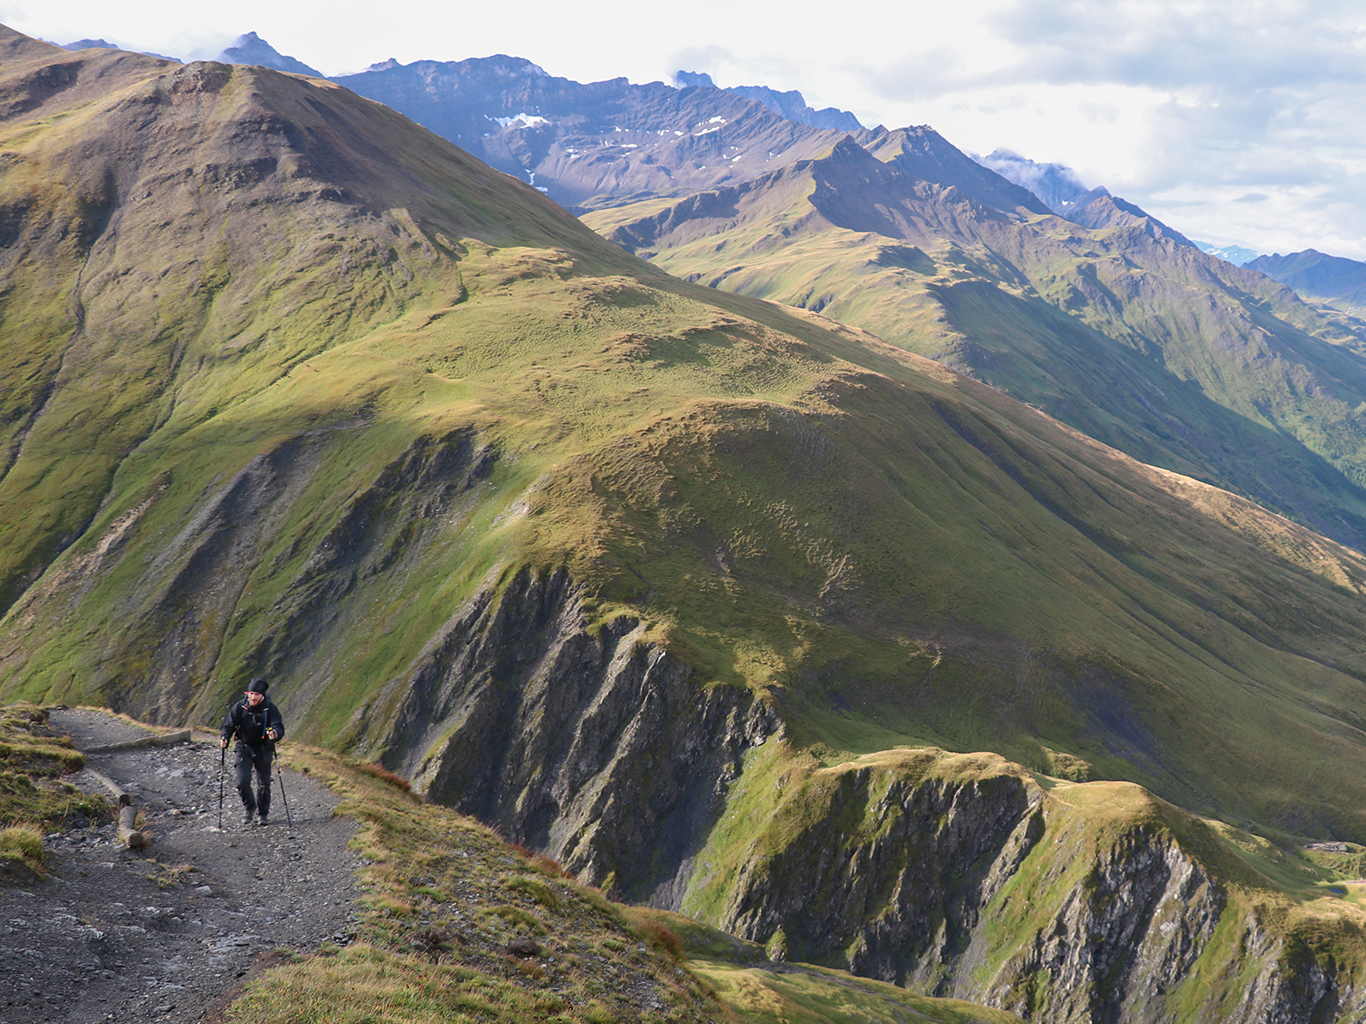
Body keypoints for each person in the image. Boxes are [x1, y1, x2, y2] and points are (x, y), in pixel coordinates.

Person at [220, 678, 285, 826]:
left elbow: (279, 726)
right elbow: (229, 725)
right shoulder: (240, 707)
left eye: (256, 694)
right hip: (243, 748)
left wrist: (275, 734)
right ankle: (249, 808)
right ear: (247, 693)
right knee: (242, 781)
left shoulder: (270, 708)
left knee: (264, 783)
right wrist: (224, 738)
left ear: (262, 695)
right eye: (251, 693)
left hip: (263, 749)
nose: (253, 697)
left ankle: (263, 814)